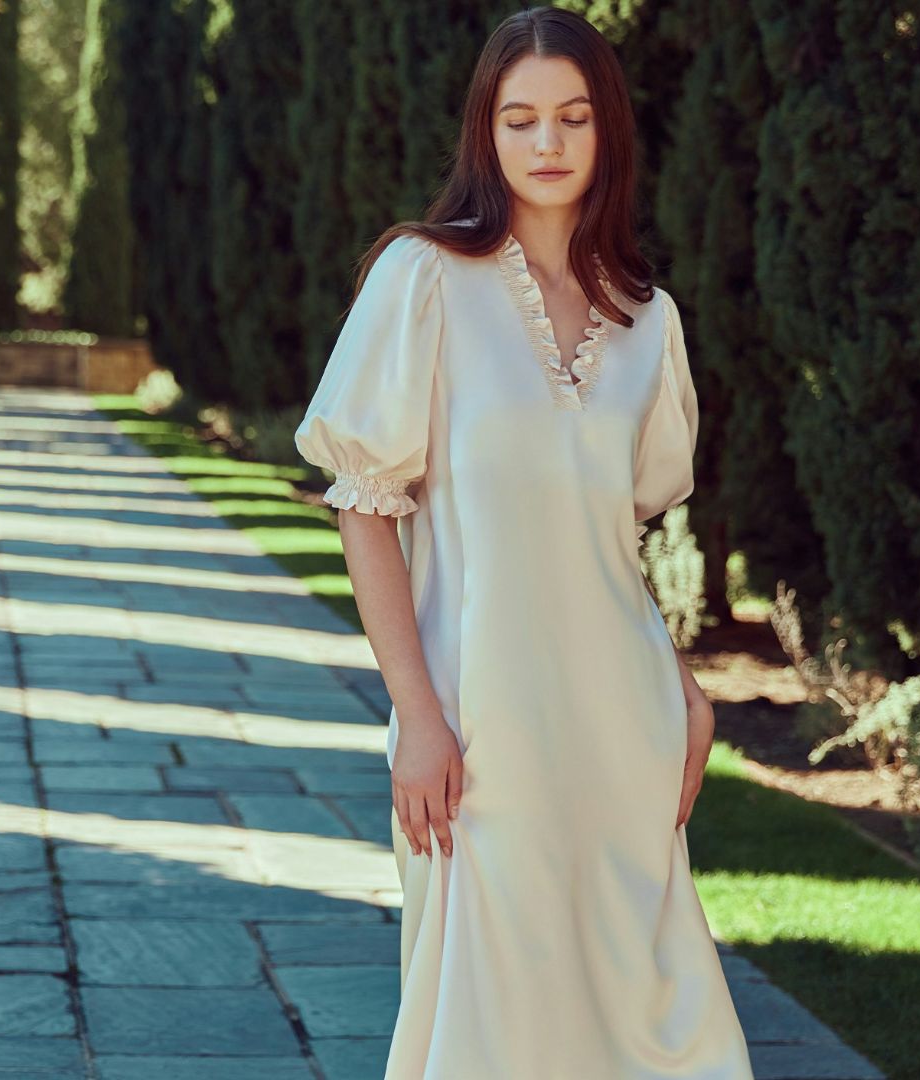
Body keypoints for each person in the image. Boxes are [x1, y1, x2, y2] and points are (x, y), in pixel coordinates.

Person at [291, 7, 756, 1079]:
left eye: (573, 117)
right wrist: (415, 715)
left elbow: (606, 548)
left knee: (654, 1025)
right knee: (488, 1029)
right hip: (477, 728)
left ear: (609, 134)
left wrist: (682, 686)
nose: (547, 144)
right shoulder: (422, 282)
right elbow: (365, 504)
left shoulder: (651, 324)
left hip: (621, 724)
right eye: (521, 119)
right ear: (485, 135)